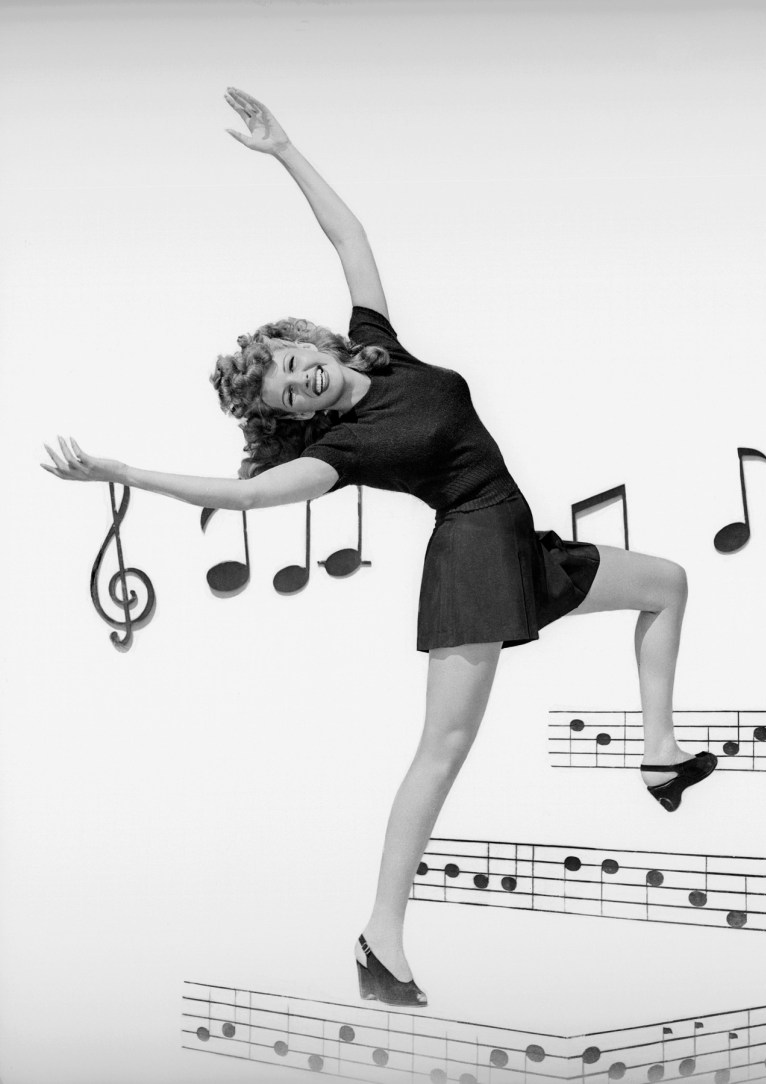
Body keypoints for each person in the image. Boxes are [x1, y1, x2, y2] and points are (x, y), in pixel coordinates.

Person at [41, 86, 717, 1008]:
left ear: (301, 342)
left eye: (288, 364)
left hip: (519, 539)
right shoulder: (337, 455)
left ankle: (659, 756)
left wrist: (284, 149)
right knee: (442, 748)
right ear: (293, 418)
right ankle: (380, 938)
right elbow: (242, 494)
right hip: (475, 559)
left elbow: (350, 238)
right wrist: (126, 472)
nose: (299, 381)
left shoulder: (375, 348)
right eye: (286, 397)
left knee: (667, 583)